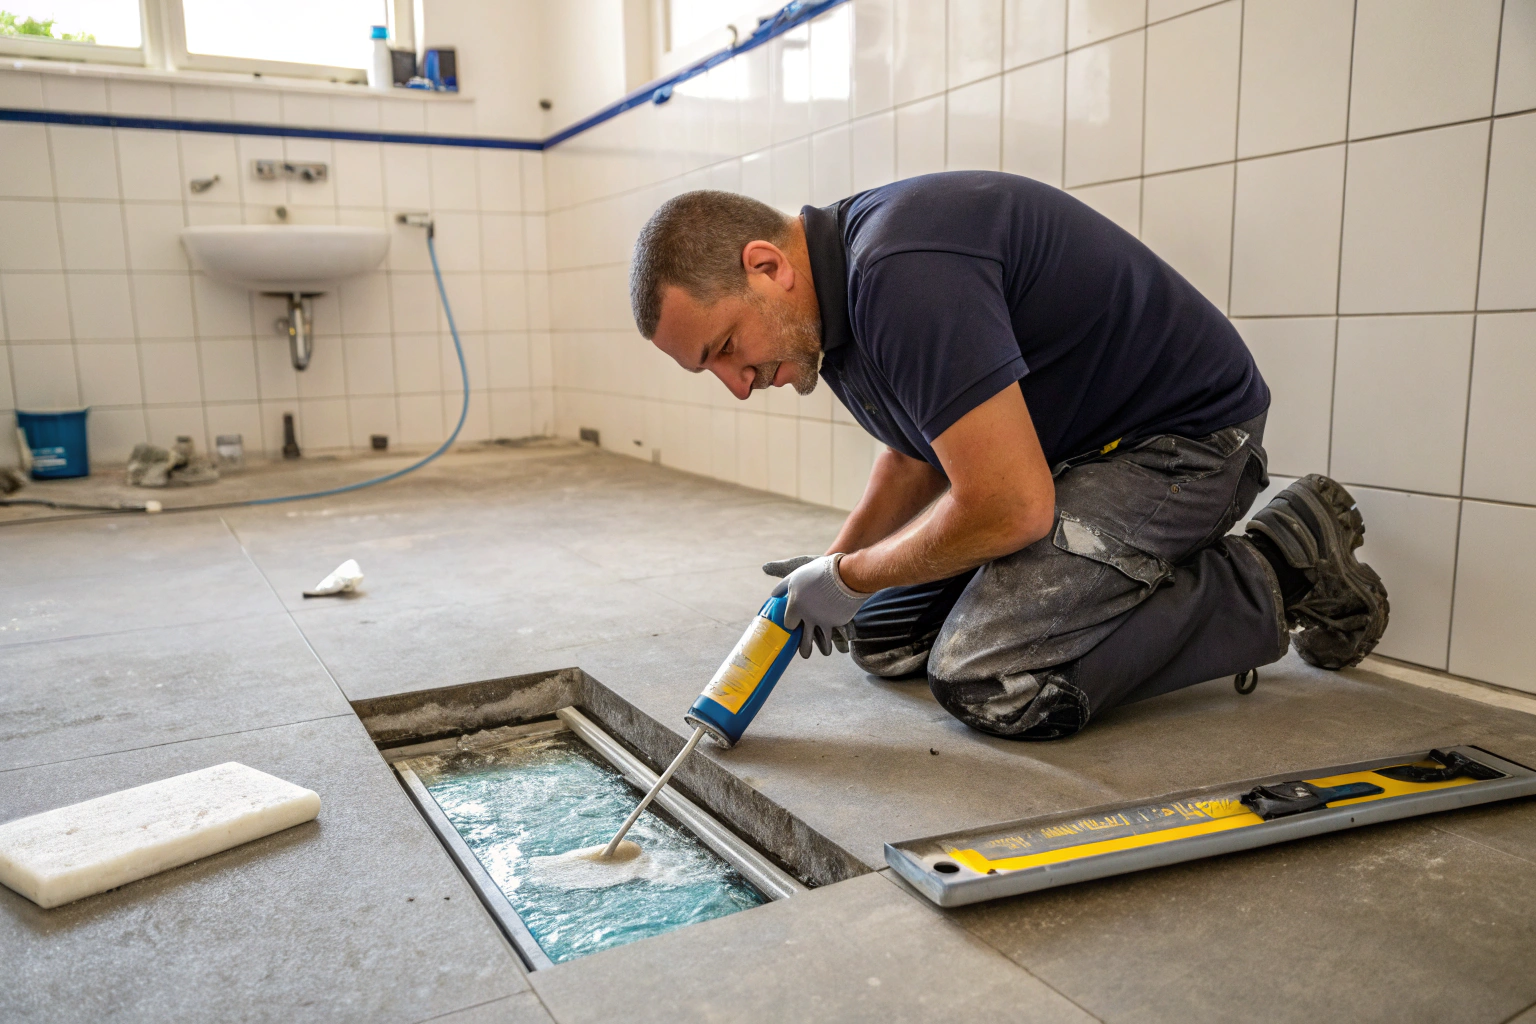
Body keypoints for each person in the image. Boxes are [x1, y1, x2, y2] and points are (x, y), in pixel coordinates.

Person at [628, 172, 1388, 740]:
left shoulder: (901, 274)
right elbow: (917, 454)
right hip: (1077, 458)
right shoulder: (832, 313)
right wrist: (827, 575)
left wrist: (853, 576)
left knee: (992, 679)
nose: (735, 385)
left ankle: (1276, 568)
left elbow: (1010, 504)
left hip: (1184, 444)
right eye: (711, 368)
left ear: (766, 265)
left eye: (726, 347)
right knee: (883, 637)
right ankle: (1102, 581)